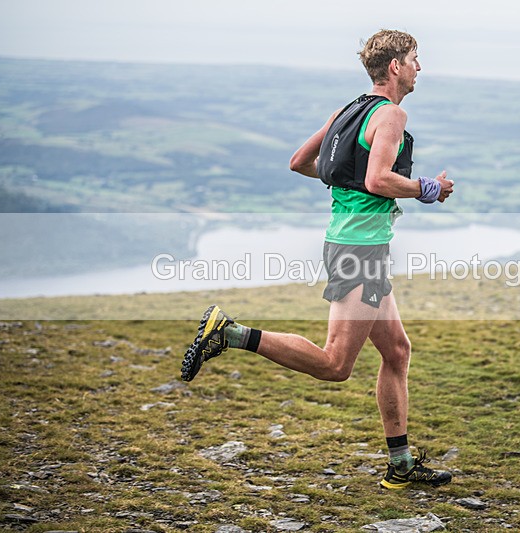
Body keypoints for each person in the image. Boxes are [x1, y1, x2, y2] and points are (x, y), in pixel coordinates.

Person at [180, 29, 455, 490]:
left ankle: (401, 464)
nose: (419, 67)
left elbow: (301, 162)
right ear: (395, 67)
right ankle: (229, 333)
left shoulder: (347, 110)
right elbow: (380, 179)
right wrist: (429, 188)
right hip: (359, 252)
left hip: (352, 245)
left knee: (398, 352)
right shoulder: (391, 114)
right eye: (414, 59)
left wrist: (348, 182)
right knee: (335, 364)